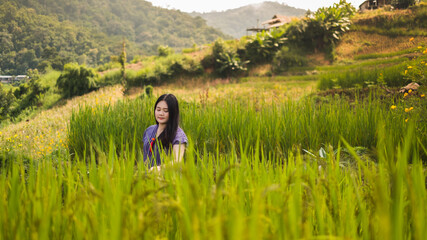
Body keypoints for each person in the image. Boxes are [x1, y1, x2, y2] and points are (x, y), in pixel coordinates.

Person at [142, 94, 187, 171]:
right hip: (148, 178)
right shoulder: (149, 130)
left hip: (168, 180)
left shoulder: (179, 136)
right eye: (158, 110)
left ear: (173, 113)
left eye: (165, 111)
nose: (161, 114)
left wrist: (159, 168)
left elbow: (177, 162)